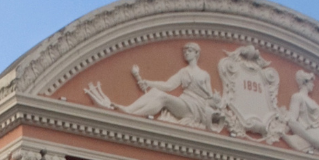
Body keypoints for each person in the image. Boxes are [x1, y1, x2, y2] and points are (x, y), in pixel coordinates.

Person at [85, 43, 223, 129]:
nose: (186, 53)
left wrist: (215, 101)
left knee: (162, 98)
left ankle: (134, 114)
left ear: (196, 53)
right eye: (185, 51)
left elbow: (209, 99)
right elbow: (168, 86)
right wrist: (148, 82)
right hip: (185, 102)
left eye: (189, 51)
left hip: (195, 109)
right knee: (157, 92)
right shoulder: (184, 71)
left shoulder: (204, 74)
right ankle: (128, 109)